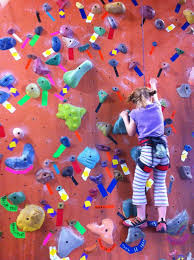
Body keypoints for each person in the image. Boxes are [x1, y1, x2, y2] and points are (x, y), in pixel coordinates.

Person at [120, 78, 170, 233]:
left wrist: (124, 117)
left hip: (148, 150)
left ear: (136, 101)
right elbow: (156, 97)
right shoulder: (156, 107)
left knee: (138, 185)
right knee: (160, 185)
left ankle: (141, 219)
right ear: (150, 97)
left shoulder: (135, 113)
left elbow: (130, 131)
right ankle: (162, 222)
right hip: (164, 151)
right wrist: (154, 86)